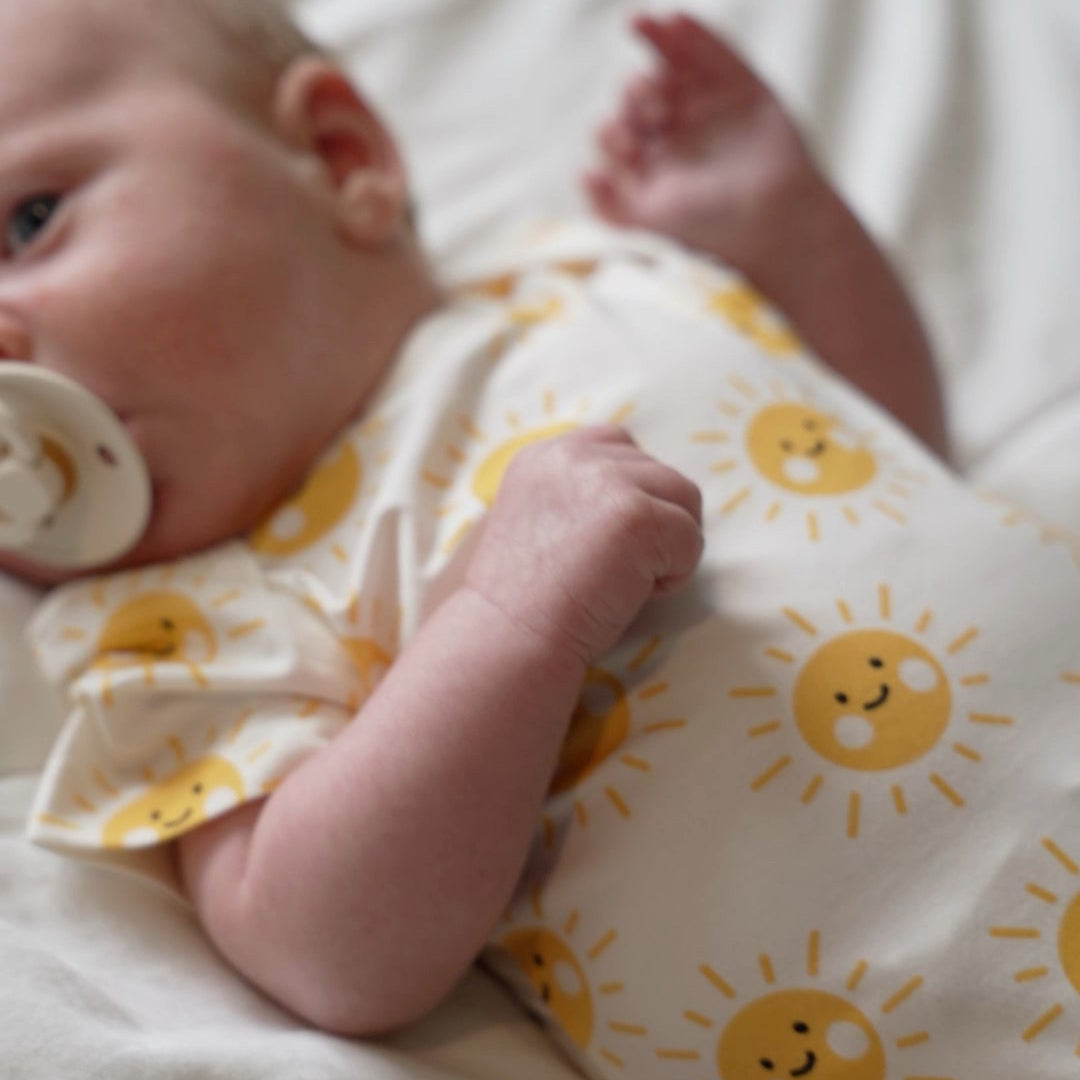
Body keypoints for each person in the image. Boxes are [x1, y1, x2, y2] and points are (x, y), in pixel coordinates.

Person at [3, 0, 951, 1042]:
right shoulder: (179, 628)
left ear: (338, 155)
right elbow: (332, 954)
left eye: (28, 222)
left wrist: (799, 238)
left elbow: (898, 450)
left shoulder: (578, 274)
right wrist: (511, 617)